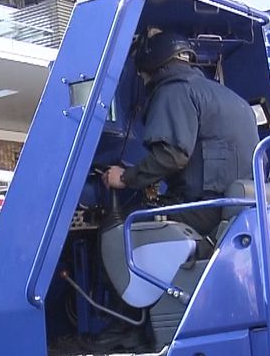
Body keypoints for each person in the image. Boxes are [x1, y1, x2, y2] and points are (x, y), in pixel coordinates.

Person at [102, 29, 261, 235]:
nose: (142, 79)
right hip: (238, 208)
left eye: (141, 74)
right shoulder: (231, 97)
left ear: (152, 64)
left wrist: (125, 177)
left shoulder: (174, 91)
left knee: (121, 230)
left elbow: (171, 156)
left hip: (203, 210)